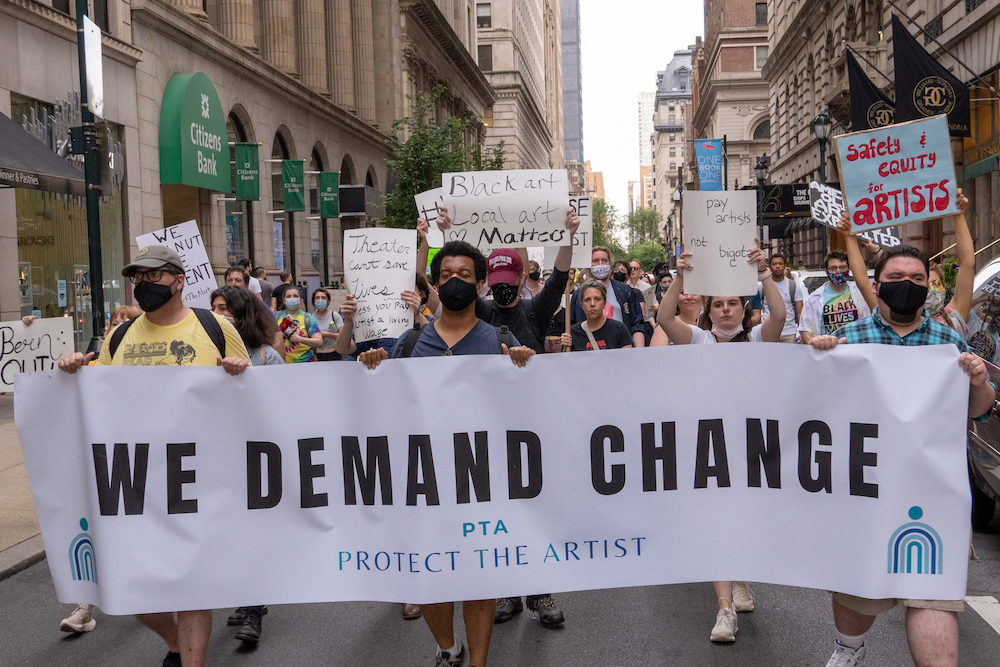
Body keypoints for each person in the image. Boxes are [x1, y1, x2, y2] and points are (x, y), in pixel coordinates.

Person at [55, 245, 250, 667]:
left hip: (201, 477)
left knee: (194, 585)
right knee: (130, 588)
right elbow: (98, 398)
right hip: (136, 479)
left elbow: (257, 396)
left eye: (154, 275)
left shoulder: (214, 326)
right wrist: (73, 370)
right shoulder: (120, 336)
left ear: (179, 280)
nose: (145, 284)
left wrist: (238, 372)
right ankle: (178, 647)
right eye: (138, 277)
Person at [808, 244, 994, 667]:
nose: (906, 287)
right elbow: (815, 407)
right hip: (866, 491)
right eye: (895, 279)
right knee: (859, 586)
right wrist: (817, 361)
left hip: (932, 495)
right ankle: (848, 649)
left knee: (933, 596)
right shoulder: (849, 339)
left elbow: (978, 408)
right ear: (876, 285)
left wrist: (979, 381)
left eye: (916, 280)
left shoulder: (949, 342)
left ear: (929, 287)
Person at [355, 240, 534, 667]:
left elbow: (533, 410)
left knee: (478, 578)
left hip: (480, 479)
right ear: (436, 283)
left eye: (465, 276)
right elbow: (381, 403)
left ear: (481, 284)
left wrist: (526, 369)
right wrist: (373, 368)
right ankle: (449, 649)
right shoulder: (411, 342)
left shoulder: (501, 341)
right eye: (447, 276)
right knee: (430, 575)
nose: (455, 282)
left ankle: (478, 662)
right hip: (424, 480)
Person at [657, 239, 783, 643]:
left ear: (743, 310)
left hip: (753, 448)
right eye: (717, 304)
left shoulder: (759, 339)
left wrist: (763, 272)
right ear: (708, 313)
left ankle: (742, 576)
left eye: (732, 303)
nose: (725, 309)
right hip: (708, 448)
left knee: (745, 521)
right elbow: (663, 315)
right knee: (715, 524)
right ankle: (724, 609)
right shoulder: (699, 341)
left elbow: (780, 314)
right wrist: (680, 277)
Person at [570, 246, 646, 347]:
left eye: (604, 260)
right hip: (588, 352)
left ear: (610, 264)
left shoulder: (625, 291)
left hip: (620, 350)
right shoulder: (578, 295)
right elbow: (572, 327)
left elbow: (636, 324)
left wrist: (637, 353)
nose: (600, 264)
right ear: (589, 265)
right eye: (595, 261)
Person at [797, 251, 872, 343]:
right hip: (828, 351)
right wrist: (813, 344)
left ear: (849, 269)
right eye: (833, 268)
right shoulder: (813, 299)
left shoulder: (861, 291)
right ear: (826, 271)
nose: (838, 271)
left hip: (858, 347)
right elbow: (805, 328)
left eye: (842, 267)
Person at [212, 286, 283, 367]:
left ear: (242, 314)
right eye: (213, 308)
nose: (214, 313)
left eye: (223, 309)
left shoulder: (268, 356)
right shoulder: (208, 351)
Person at [560, 280, 633, 351]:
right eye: (587, 300)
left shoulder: (619, 329)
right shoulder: (572, 333)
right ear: (582, 305)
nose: (592, 304)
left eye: (597, 299)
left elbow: (627, 358)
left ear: (604, 303)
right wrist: (565, 347)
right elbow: (566, 362)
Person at [758, 253, 802, 343]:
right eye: (774, 264)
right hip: (769, 332)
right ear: (769, 266)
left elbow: (800, 311)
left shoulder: (793, 286)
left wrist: (802, 331)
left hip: (789, 332)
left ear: (785, 266)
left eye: (780, 264)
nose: (777, 266)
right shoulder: (762, 286)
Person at [274, 286, 323, 363]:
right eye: (289, 296)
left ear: (300, 300)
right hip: (282, 365)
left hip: (305, 364)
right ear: (284, 300)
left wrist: (299, 339)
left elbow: (319, 342)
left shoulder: (308, 318)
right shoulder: (275, 317)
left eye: (295, 296)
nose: (292, 298)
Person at [310, 287, 344, 361]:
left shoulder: (335, 316)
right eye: (317, 298)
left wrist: (327, 334)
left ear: (328, 301)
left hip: (334, 354)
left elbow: (343, 337)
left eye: (323, 297)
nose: (320, 300)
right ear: (314, 301)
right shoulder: (310, 317)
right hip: (317, 355)